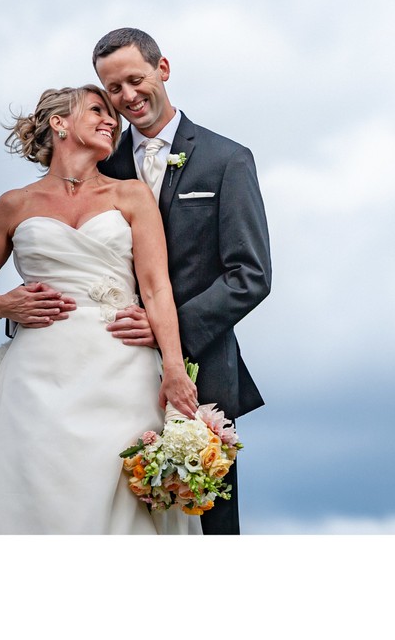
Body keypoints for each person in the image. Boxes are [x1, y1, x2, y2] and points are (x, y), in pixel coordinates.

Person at [0, 84, 198, 534]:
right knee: (29, 490)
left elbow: (156, 287)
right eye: (97, 110)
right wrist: (1, 303)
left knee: (117, 492)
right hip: (34, 375)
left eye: (113, 114)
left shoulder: (131, 196)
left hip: (122, 367)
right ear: (59, 122)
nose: (113, 119)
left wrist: (174, 369)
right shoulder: (14, 204)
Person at [93, 27, 271, 535]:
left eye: (135, 79)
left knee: (207, 526)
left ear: (162, 70)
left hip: (201, 370)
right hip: (109, 367)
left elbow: (251, 275)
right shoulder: (101, 166)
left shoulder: (226, 159)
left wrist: (165, 327)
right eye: (113, 88)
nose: (127, 96)